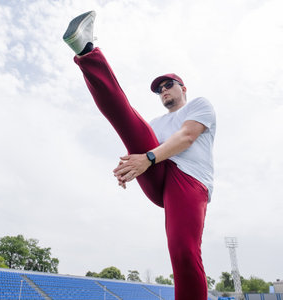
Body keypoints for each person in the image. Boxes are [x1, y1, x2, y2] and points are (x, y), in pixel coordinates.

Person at [63, 11, 216, 300]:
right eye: (159, 89)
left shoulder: (199, 104)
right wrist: (129, 167)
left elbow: (186, 137)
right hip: (159, 175)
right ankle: (86, 50)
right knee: (126, 119)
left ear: (183, 88)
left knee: (183, 251)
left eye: (168, 85)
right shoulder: (155, 124)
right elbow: (143, 148)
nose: (163, 91)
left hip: (189, 182)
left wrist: (146, 158)